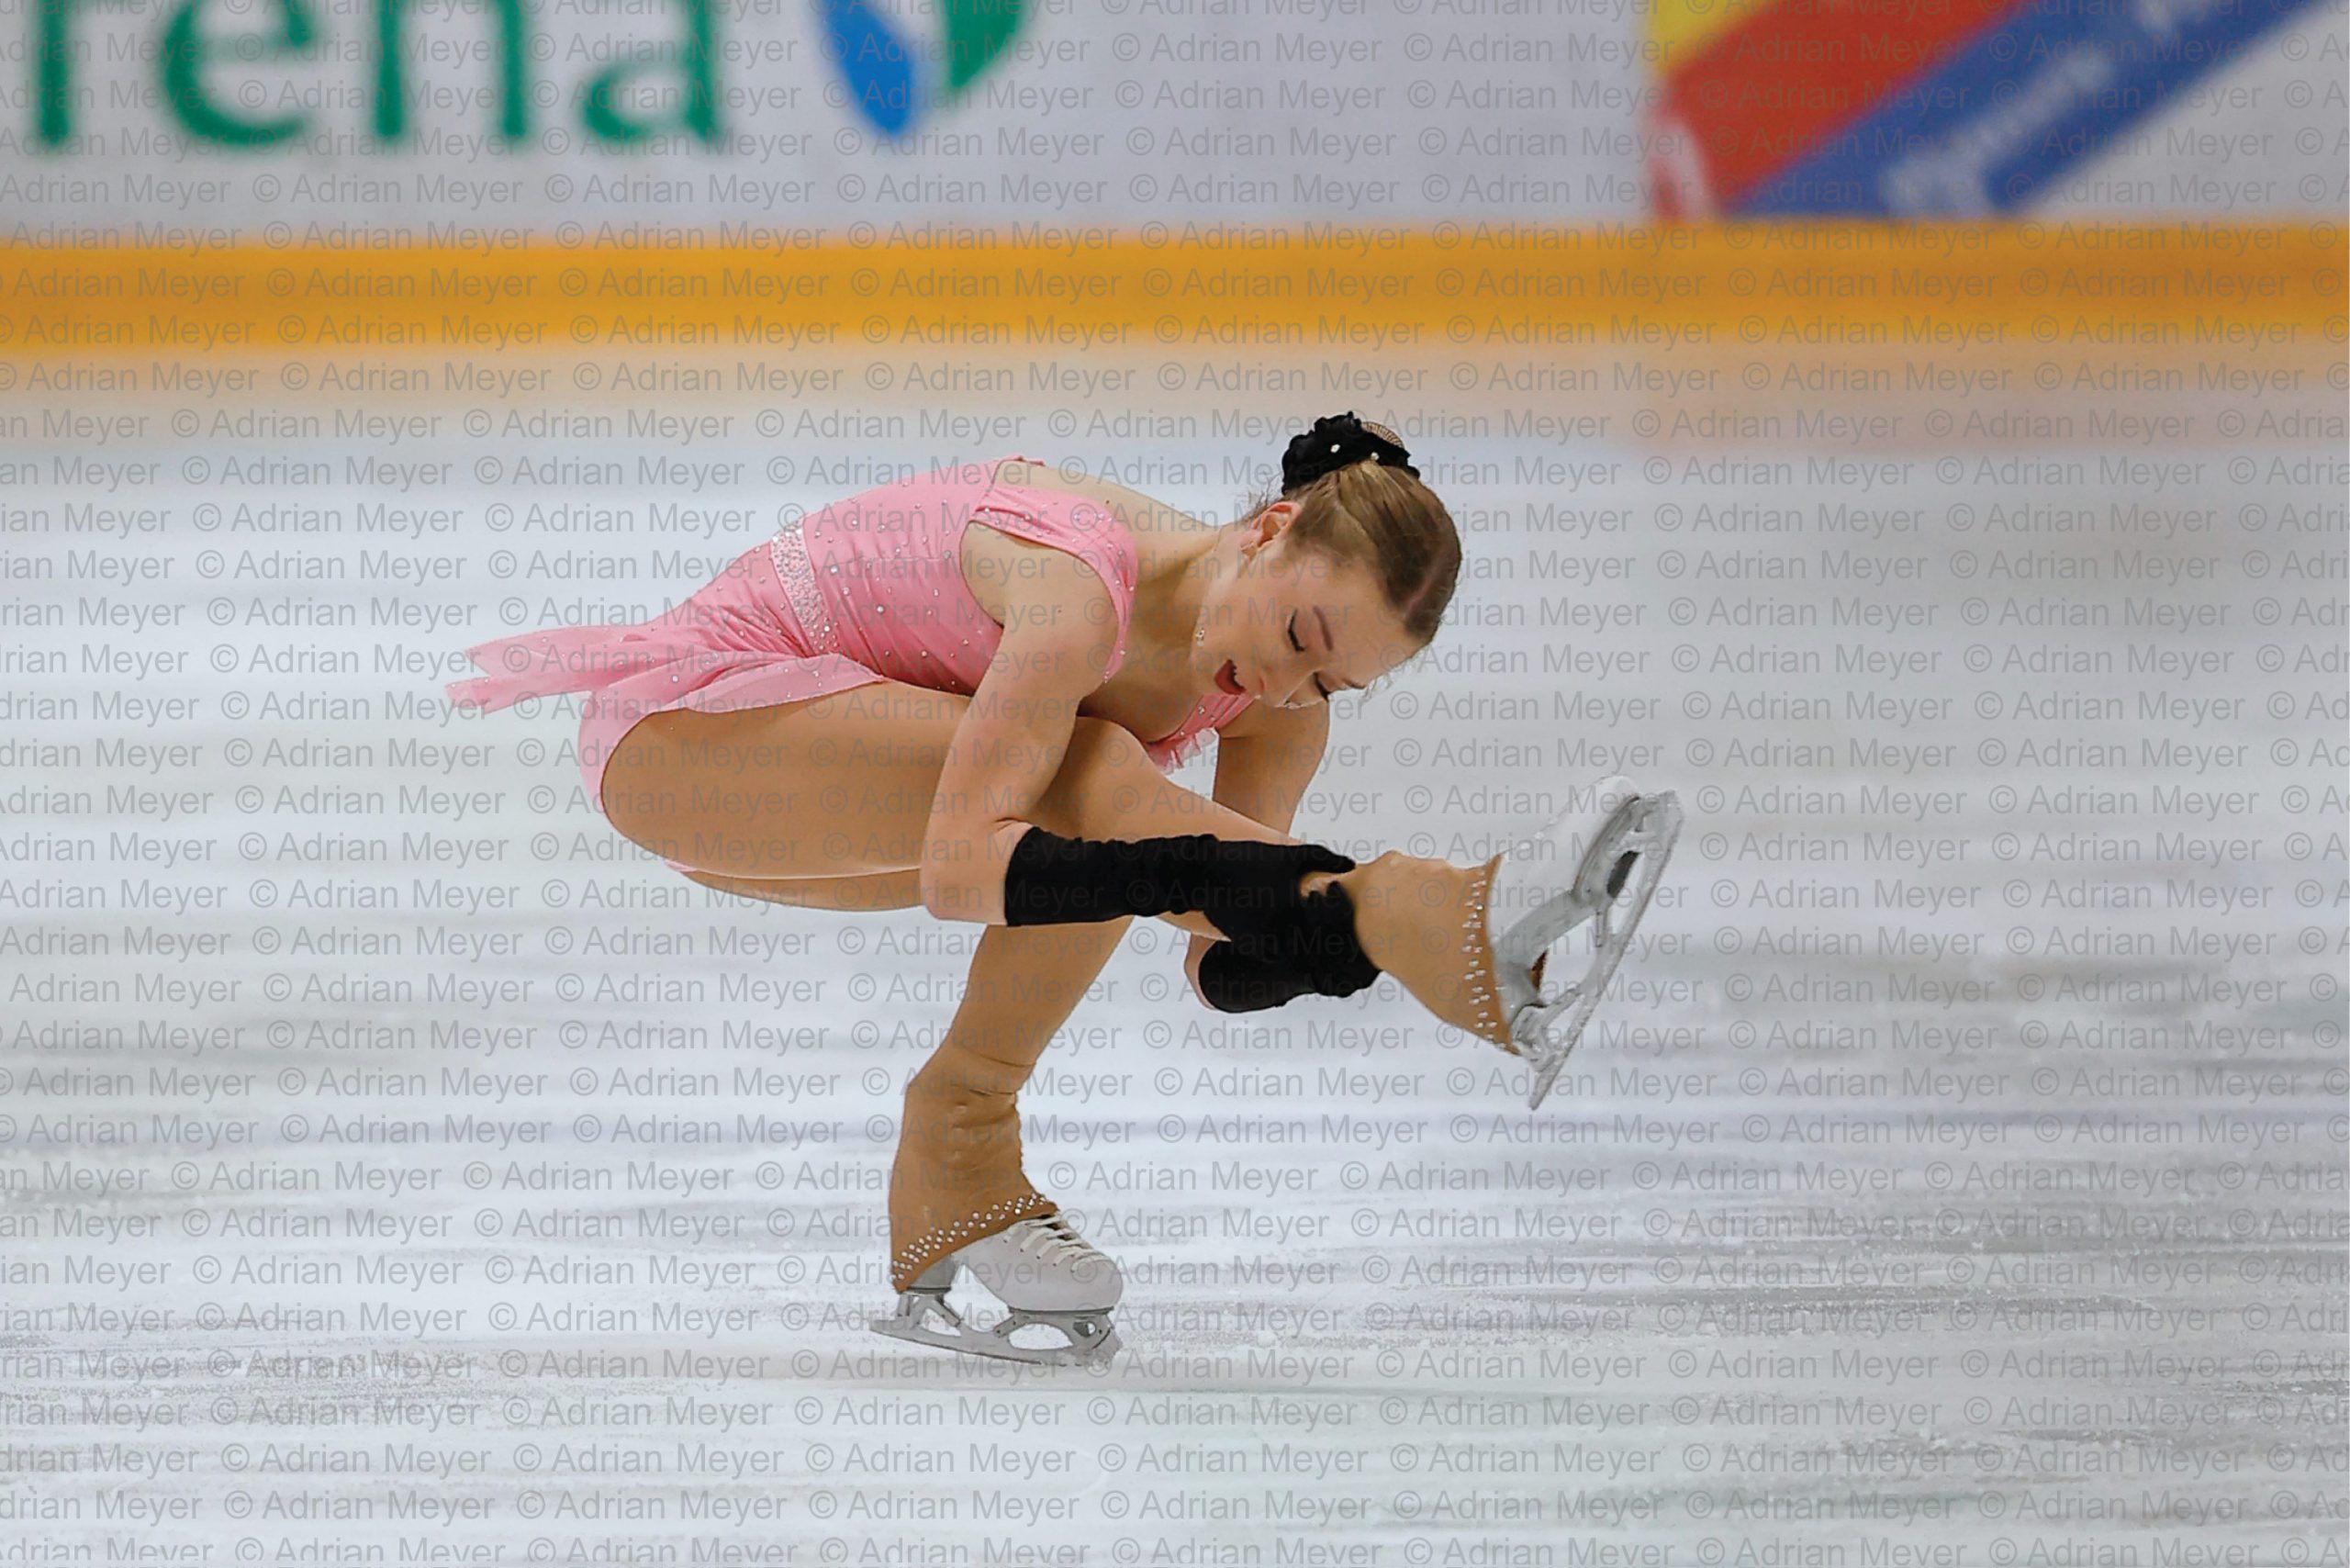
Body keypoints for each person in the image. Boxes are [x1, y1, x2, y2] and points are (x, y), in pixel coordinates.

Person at [446, 414, 1681, 1367]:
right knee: (1093, 774)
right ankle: (1438, 919)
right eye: (1301, 637)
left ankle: (959, 1153)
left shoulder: (1274, 711)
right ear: (1267, 530)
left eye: (1330, 684)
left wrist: (1321, 942)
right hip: (684, 743)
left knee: (1109, 803)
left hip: (840, 805)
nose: (1288, 688)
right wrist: (1344, 908)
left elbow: (1222, 949)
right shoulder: (1078, 585)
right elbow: (964, 870)